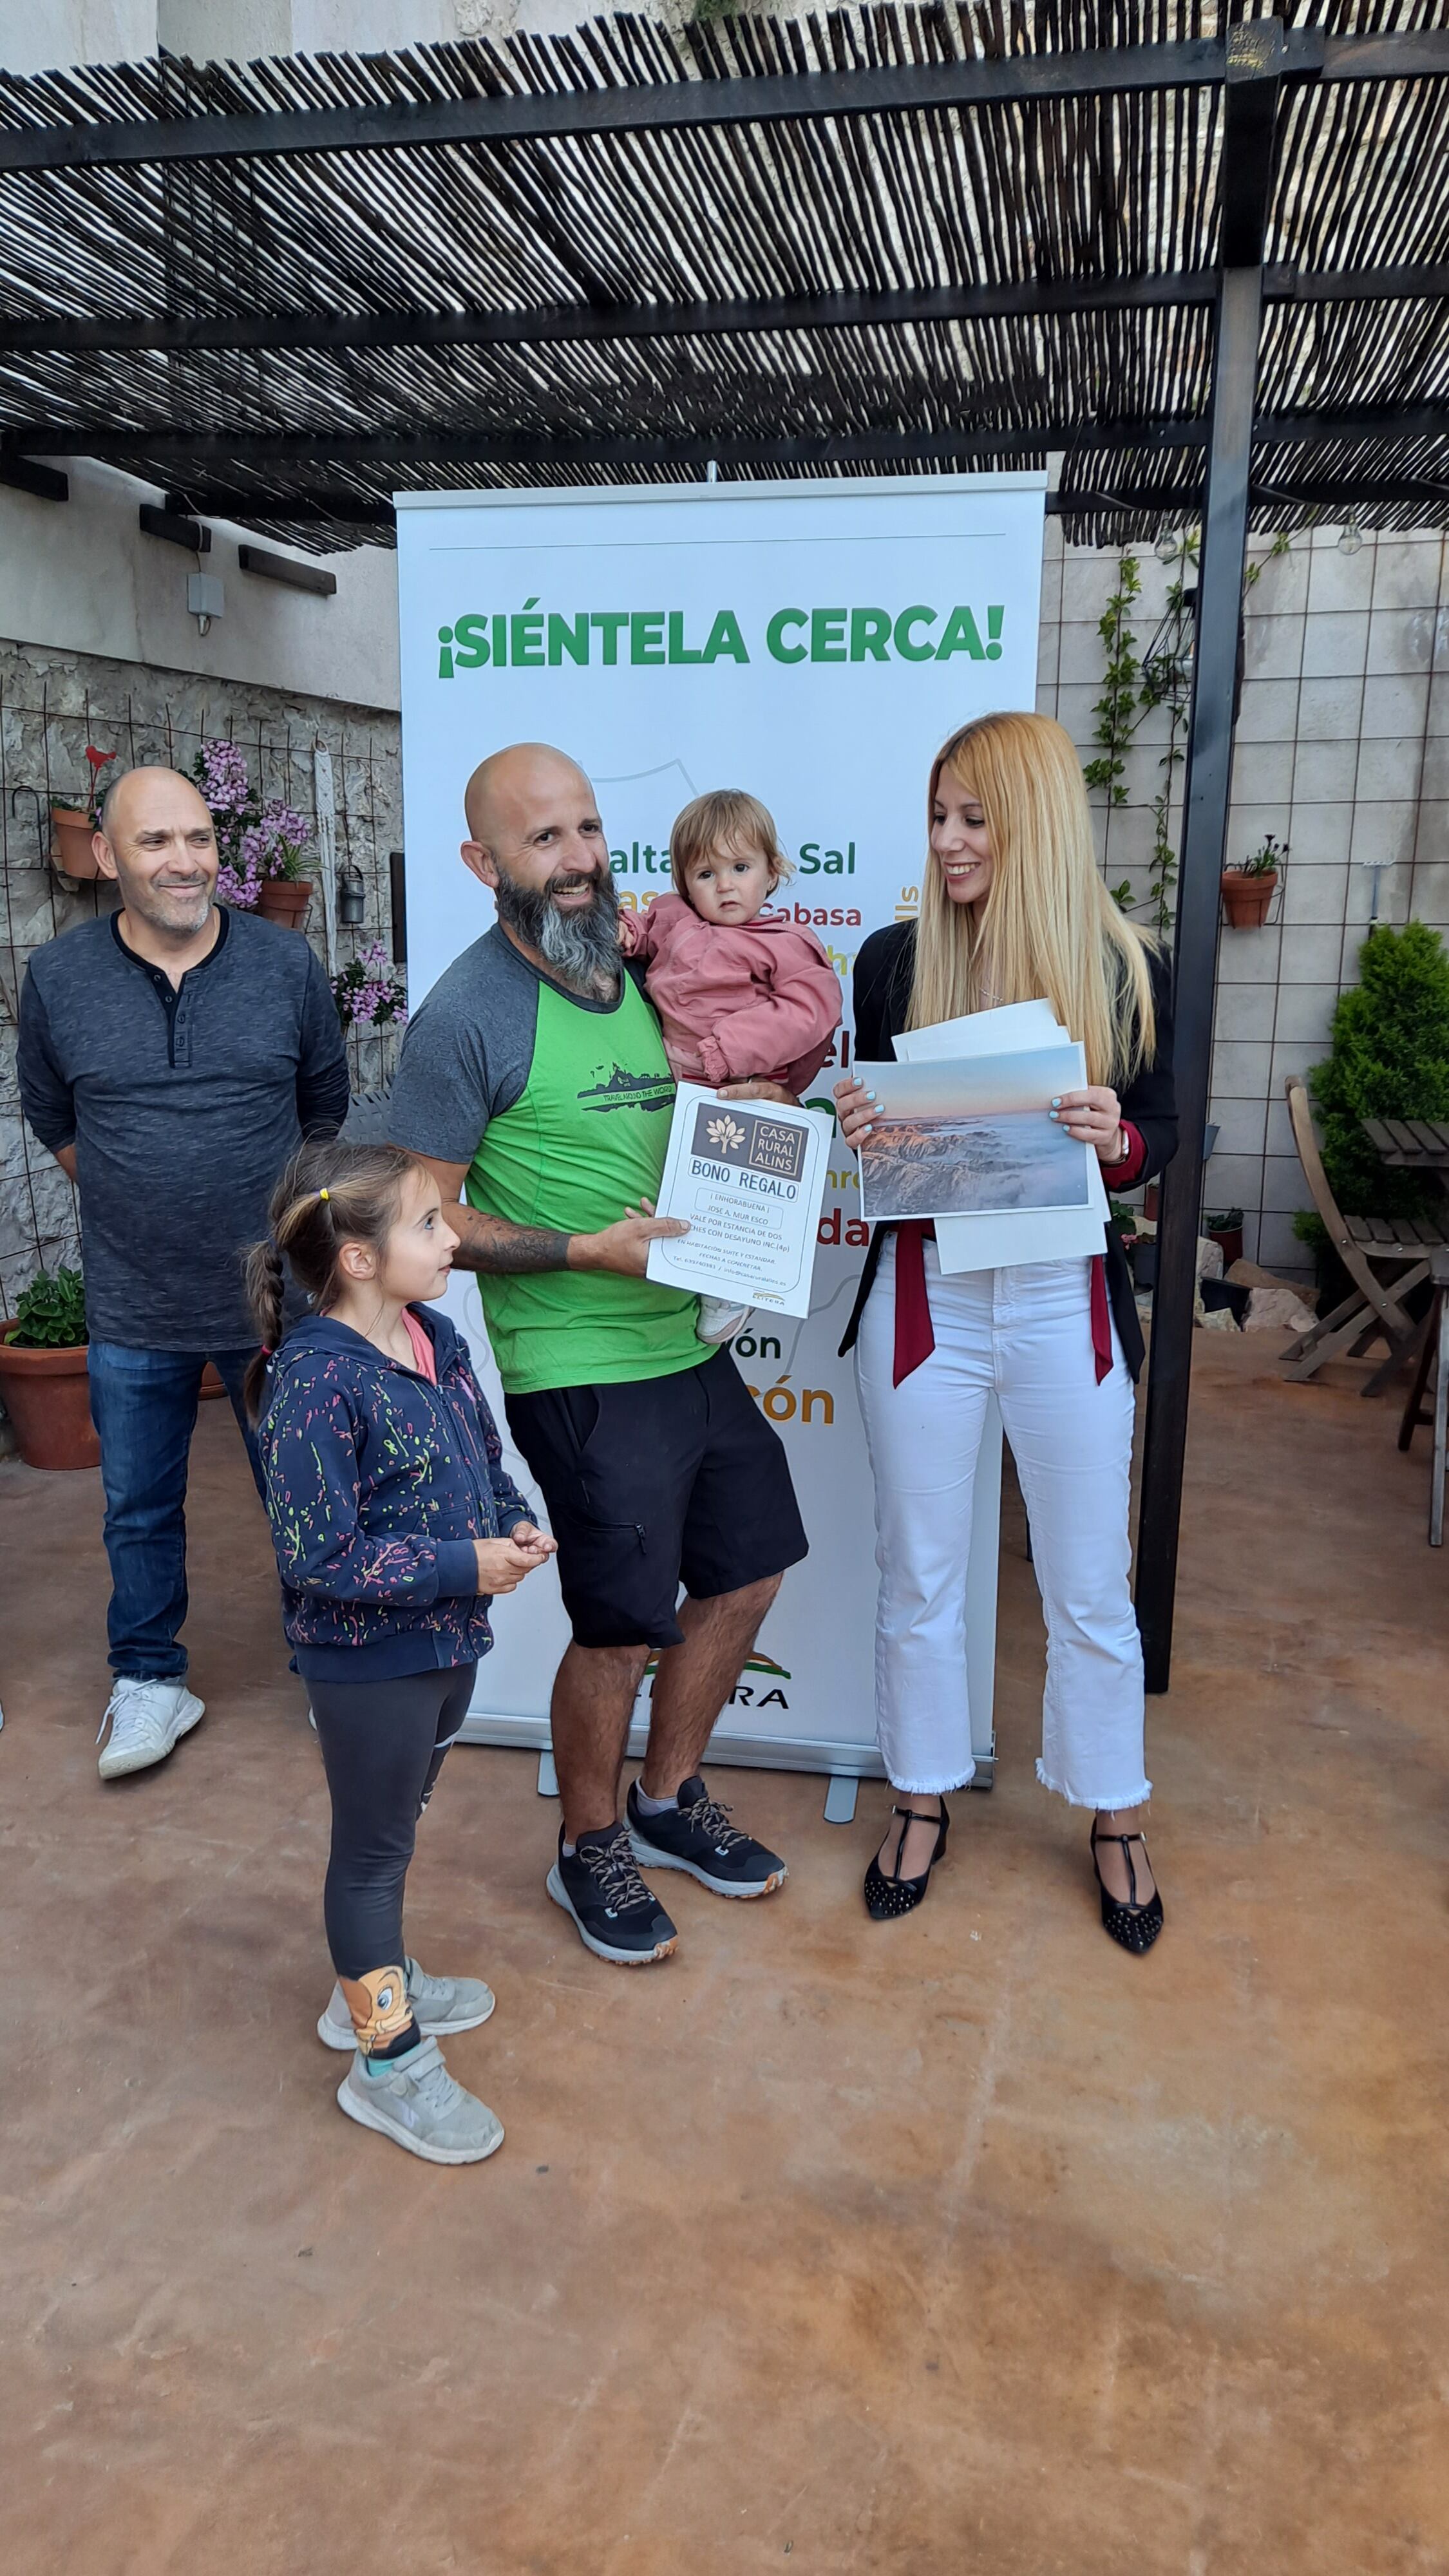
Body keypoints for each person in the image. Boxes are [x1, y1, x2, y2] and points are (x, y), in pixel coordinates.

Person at [386, 741, 808, 1967]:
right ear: (483, 863)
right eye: (543, 840)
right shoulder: (466, 1016)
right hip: (576, 1362)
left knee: (748, 1574)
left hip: (684, 1337)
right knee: (622, 1625)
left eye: (586, 830)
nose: (578, 861)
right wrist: (581, 1249)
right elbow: (425, 1222)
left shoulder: (640, 964)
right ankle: (589, 1845)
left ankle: (666, 1802)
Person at [833, 710, 1177, 1953]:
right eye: (938, 815)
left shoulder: (1126, 964)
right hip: (928, 1302)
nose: (950, 840)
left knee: (1090, 1580)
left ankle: (1115, 1812)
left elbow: (1162, 1136)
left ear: (1030, 819)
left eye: (975, 816)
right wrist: (866, 1133)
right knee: (918, 1569)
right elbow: (880, 1144)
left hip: (1062, 1302)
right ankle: (919, 1797)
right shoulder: (888, 960)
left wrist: (1114, 1137)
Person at [17, 765, 349, 1782]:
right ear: (107, 857)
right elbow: (54, 1118)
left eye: (200, 839)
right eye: (156, 842)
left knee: (302, 1486)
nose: (185, 861)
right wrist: (140, 1201)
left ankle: (332, 1662)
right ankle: (152, 1678)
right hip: (131, 1299)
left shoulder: (283, 966)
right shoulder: (59, 979)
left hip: (273, 1302)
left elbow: (323, 1107)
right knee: (138, 1505)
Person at [245, 1139, 556, 2164]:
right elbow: (319, 1557)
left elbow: (481, 1454)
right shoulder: (311, 1384)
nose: (450, 1236)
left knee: (397, 1821)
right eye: (428, 1224)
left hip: (448, 1645)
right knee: (372, 1855)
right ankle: (384, 2059)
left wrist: (509, 1524)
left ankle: (366, 1985)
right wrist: (463, 1567)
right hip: (368, 1662)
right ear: (358, 1259)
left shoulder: (434, 1338)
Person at [618, 787, 842, 1341]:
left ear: (772, 872)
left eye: (740, 868)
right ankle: (679, 1272)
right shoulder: (674, 919)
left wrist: (730, 1048)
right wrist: (624, 933)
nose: (724, 886)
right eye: (705, 874)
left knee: (732, 1189)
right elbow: (643, 933)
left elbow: (811, 1009)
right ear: (682, 882)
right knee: (671, 1184)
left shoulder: (784, 943)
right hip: (669, 1080)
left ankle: (728, 1287)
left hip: (737, 1084)